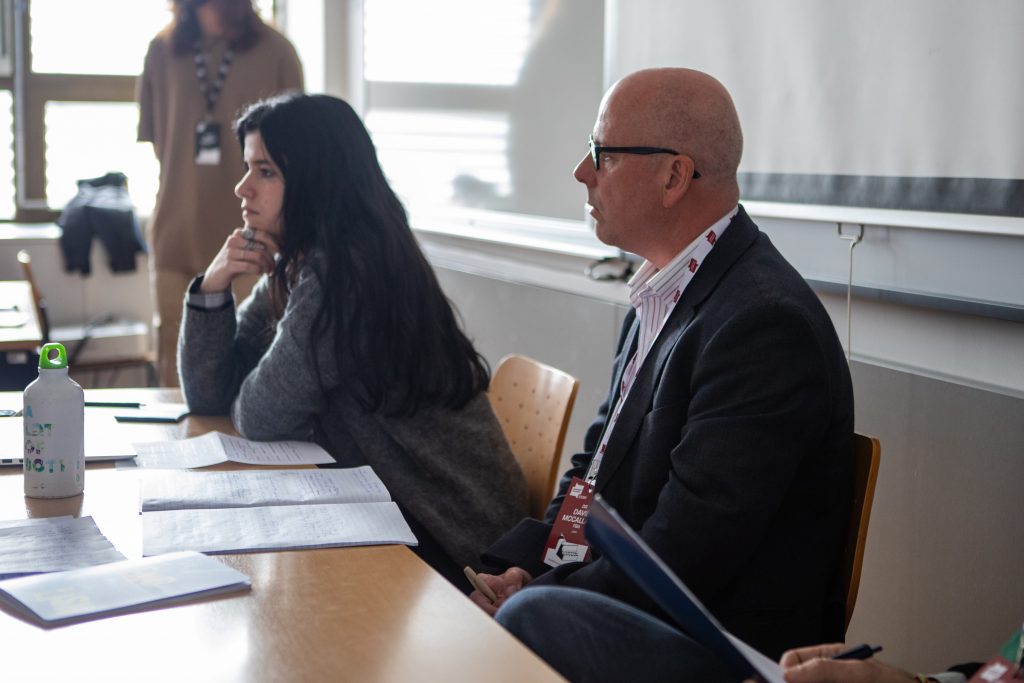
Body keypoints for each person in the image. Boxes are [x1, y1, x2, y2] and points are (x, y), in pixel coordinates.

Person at [471, 67, 855, 661]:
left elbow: (686, 555)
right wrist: (527, 568)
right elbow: (595, 471)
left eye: (602, 153)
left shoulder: (764, 326)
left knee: (525, 617)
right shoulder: (663, 290)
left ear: (674, 176)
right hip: (636, 600)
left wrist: (544, 593)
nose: (582, 171)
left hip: (720, 647)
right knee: (481, 592)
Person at [177, 93, 529, 585]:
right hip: (398, 513)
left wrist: (251, 385)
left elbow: (260, 417)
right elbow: (210, 395)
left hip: (459, 545)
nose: (242, 188)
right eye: (247, 168)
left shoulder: (345, 274)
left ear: (315, 181)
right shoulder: (304, 262)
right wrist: (213, 286)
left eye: (265, 172)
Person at [137, 0, 304, 387]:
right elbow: (158, 144)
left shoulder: (277, 52)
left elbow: (297, 158)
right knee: (175, 366)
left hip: (253, 242)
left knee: (246, 368)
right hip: (175, 237)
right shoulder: (161, 51)